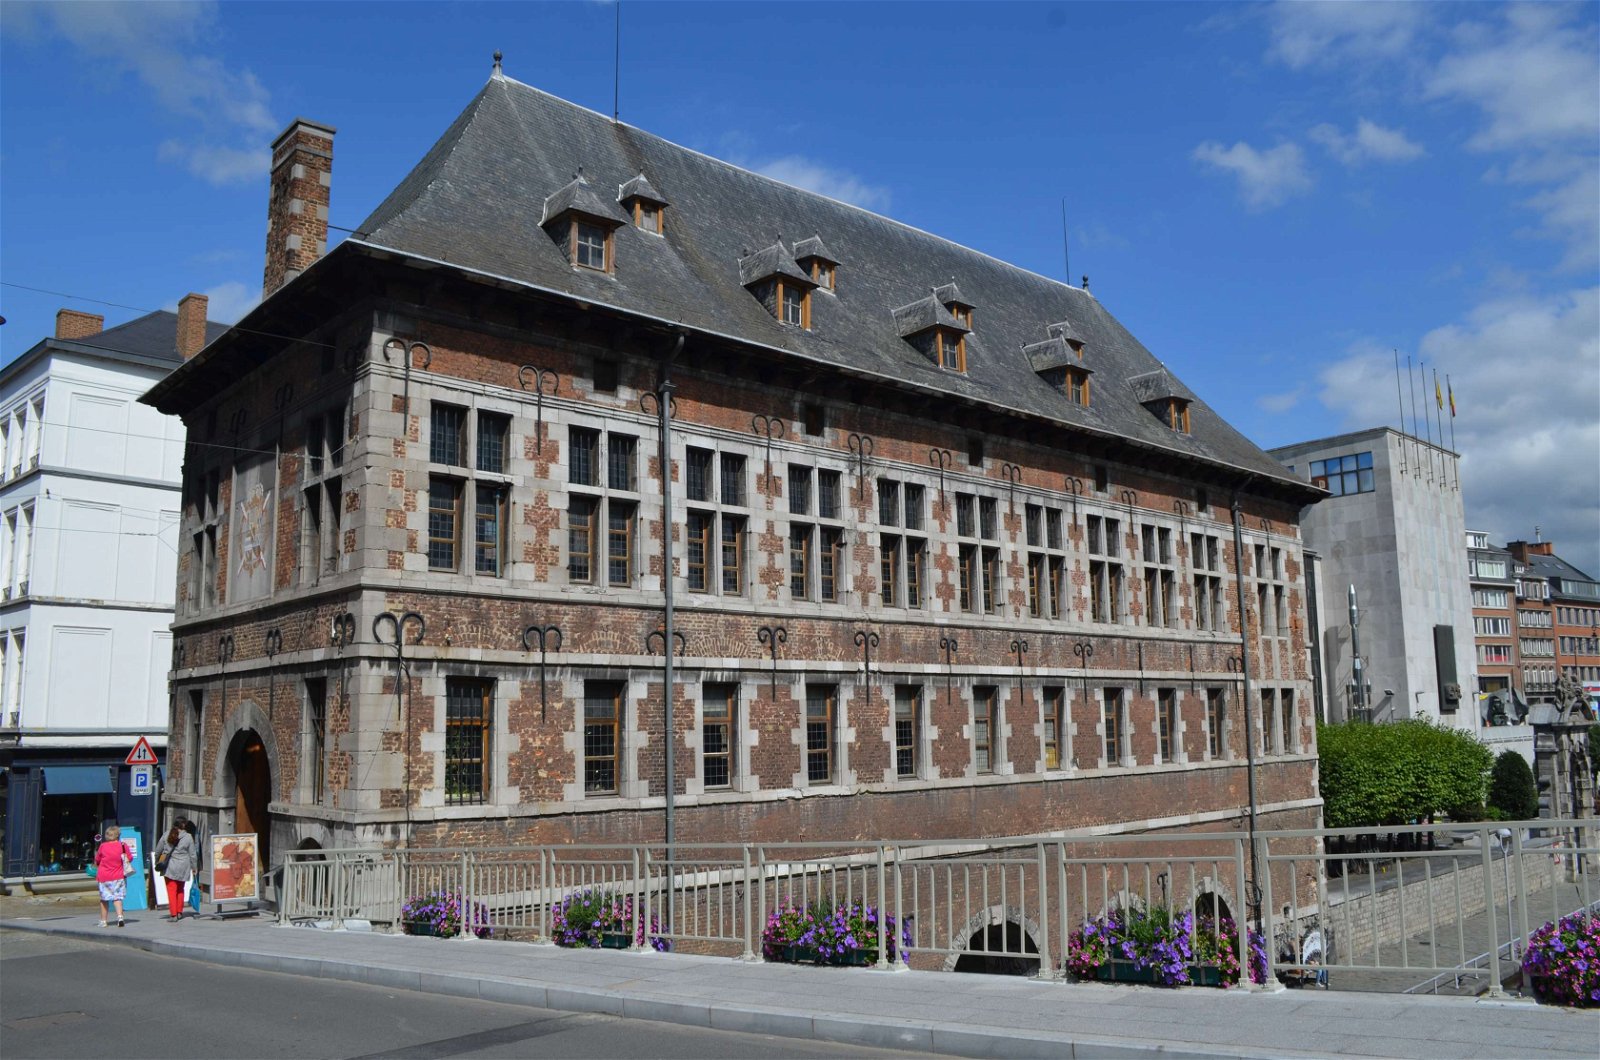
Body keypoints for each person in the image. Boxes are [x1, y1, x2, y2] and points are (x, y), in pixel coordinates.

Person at [153, 819, 198, 921]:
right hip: (183, 867)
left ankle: (173, 914)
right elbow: (193, 854)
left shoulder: (166, 834)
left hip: (170, 866)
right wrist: (194, 867)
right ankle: (179, 912)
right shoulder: (188, 837)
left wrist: (157, 861)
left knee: (171, 890)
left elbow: (158, 850)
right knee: (180, 889)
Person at [93, 824, 132, 928]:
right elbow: (129, 858)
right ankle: (120, 917)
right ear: (118, 835)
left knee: (104, 899)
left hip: (104, 877)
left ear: (107, 835)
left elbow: (97, 859)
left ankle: (103, 921)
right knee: (117, 898)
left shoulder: (103, 846)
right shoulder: (123, 845)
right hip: (118, 876)